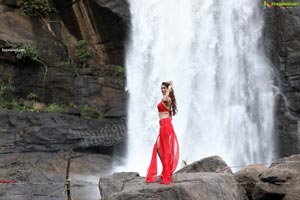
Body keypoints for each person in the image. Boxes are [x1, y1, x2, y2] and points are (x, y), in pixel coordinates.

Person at [145, 80, 179, 184]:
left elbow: (165, 99)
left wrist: (169, 88)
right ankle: (166, 169)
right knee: (158, 148)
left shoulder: (167, 99)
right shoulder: (167, 98)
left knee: (163, 148)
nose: (162, 90)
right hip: (164, 125)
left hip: (165, 126)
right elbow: (168, 114)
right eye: (162, 88)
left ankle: (166, 172)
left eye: (164, 88)